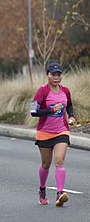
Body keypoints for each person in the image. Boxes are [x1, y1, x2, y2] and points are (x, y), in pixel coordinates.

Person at [30, 62, 75, 207]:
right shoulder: (42, 91)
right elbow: (33, 111)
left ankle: (59, 193)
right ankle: (42, 189)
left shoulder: (65, 91)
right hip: (44, 132)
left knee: (59, 160)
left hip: (61, 130)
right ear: (47, 75)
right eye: (53, 74)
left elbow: (69, 105)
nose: (56, 77)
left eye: (58, 74)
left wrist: (71, 116)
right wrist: (50, 110)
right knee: (45, 164)